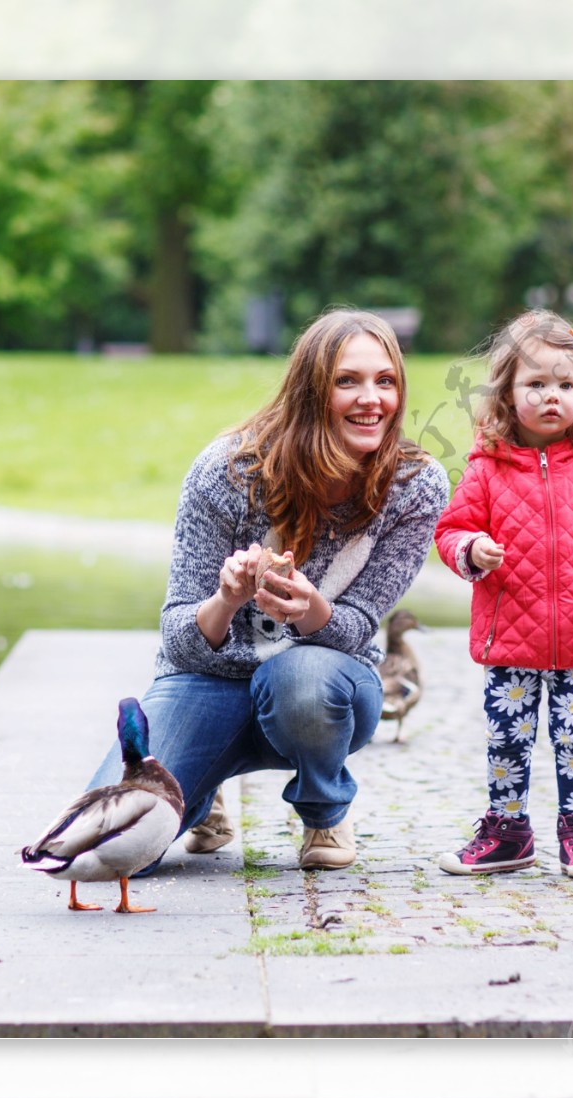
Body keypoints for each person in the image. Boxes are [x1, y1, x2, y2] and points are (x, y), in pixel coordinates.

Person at [86, 308, 450, 871]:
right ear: (310, 390)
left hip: (320, 685)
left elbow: (356, 629)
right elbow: (180, 640)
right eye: (347, 381)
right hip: (208, 682)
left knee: (300, 675)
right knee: (108, 851)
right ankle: (199, 794)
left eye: (386, 381)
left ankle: (324, 811)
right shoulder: (227, 472)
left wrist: (311, 611)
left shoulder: (413, 486)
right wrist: (226, 598)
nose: (371, 398)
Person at [433, 309, 573, 879]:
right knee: (507, 744)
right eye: (536, 384)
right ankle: (507, 832)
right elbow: (451, 531)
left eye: (565, 384)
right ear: (507, 392)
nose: (552, 396)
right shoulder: (485, 471)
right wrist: (472, 550)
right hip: (510, 638)